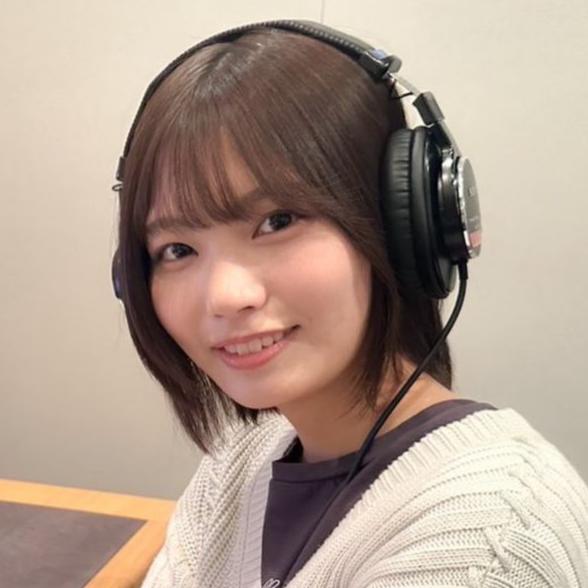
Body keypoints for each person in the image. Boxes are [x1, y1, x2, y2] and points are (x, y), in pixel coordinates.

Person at [112, 20, 588, 588]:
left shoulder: (487, 542)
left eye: (277, 221)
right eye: (177, 250)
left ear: (400, 224)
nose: (226, 297)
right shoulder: (242, 460)